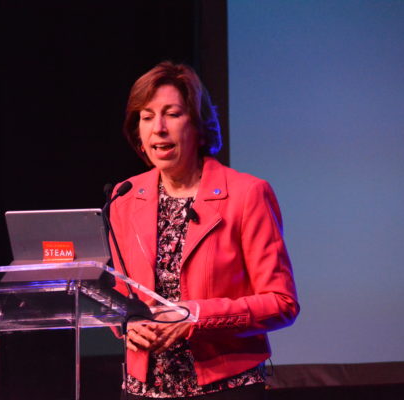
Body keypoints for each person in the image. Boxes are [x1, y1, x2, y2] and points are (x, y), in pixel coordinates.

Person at [109, 62, 299, 400]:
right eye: (147, 116)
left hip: (225, 387)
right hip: (143, 389)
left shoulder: (247, 194)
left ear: (198, 125)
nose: (159, 128)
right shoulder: (125, 196)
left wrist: (195, 317)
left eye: (173, 114)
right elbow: (119, 293)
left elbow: (281, 303)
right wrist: (126, 324)